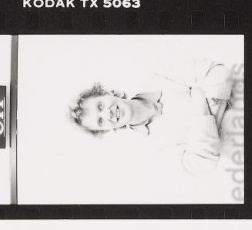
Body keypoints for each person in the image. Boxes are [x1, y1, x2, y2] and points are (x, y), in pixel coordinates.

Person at [69, 54, 238, 175]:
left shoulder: (156, 74)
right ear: (107, 130)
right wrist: (199, 97)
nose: (108, 114)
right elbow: (203, 163)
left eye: (100, 105)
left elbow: (217, 72)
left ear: (107, 93)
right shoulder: (153, 149)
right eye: (100, 121)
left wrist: (209, 134)